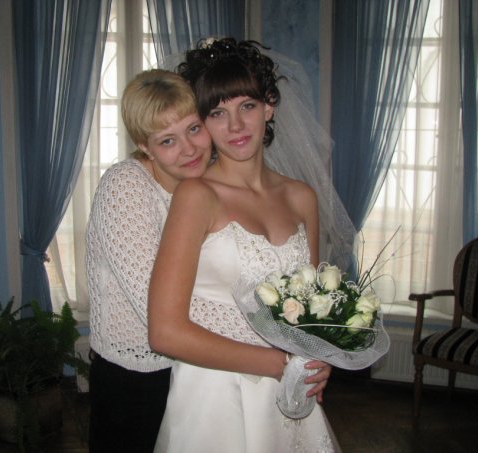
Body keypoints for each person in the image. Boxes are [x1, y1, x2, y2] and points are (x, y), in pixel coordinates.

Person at [148, 38, 340, 452]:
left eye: (246, 106)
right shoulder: (197, 196)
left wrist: (317, 360)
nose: (234, 126)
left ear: (269, 106)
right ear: (203, 122)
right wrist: (278, 364)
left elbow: (309, 313)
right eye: (217, 113)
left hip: (289, 392)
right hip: (215, 397)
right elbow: (164, 332)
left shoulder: (301, 197)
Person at [85, 69, 212, 453]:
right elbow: (155, 309)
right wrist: (256, 344)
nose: (189, 149)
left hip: (196, 368)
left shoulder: (205, 185)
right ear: (145, 146)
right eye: (168, 140)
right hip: (135, 378)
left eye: (194, 129)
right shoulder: (125, 186)